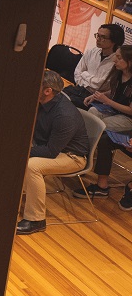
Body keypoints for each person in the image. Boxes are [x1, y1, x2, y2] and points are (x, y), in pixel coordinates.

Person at [17, 70, 90, 235]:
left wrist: (23, 151)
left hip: (72, 156)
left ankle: (36, 220)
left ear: (47, 91)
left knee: (32, 166)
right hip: (52, 147)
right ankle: (11, 199)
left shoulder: (64, 115)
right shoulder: (43, 102)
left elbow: (50, 151)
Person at [72, 44, 132, 199]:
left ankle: (83, 159)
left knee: (100, 127)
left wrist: (107, 101)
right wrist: (97, 96)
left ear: (129, 62)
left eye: (119, 58)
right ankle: (81, 154)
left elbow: (130, 110)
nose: (115, 60)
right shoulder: (119, 73)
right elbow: (113, 91)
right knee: (91, 113)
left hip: (128, 119)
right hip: (115, 111)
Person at [65, 24, 124, 108]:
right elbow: (77, 73)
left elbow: (100, 85)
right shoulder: (91, 51)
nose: (98, 39)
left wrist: (84, 74)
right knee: (57, 96)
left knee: (68, 106)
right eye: (97, 35)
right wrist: (85, 83)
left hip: (95, 98)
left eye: (102, 37)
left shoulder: (117, 62)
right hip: (79, 89)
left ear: (114, 41)